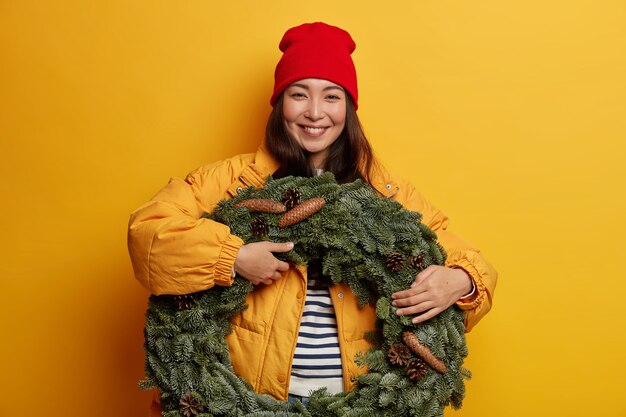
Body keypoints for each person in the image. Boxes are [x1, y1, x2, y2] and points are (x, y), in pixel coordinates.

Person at [128, 22, 497, 415]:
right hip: (242, 401)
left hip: (358, 404)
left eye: (332, 96)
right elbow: (149, 234)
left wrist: (461, 280)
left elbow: (474, 264)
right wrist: (232, 257)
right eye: (299, 94)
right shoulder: (229, 182)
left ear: (349, 107)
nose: (315, 113)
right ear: (279, 103)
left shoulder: (386, 192)